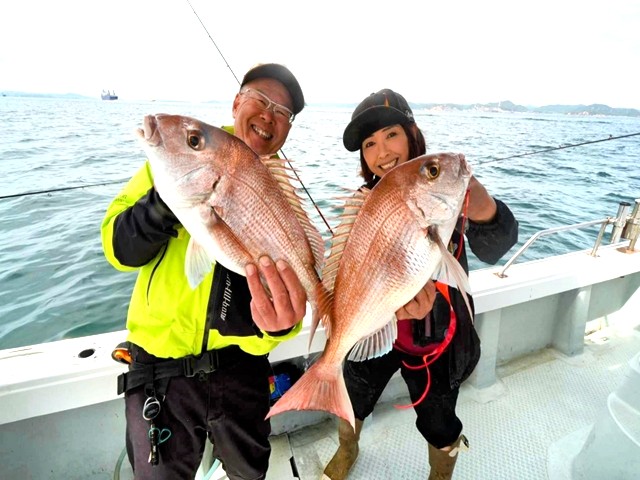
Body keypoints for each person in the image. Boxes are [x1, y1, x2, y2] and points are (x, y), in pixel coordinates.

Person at [101, 63, 307, 480]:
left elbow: (288, 308)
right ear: (237, 102)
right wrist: (163, 204)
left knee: (250, 472)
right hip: (159, 367)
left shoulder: (281, 197)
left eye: (283, 112)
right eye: (260, 100)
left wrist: (281, 327)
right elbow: (117, 249)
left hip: (242, 369)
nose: (269, 116)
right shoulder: (170, 164)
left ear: (287, 128)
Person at [322, 89, 519, 480]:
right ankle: (347, 449)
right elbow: (344, 272)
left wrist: (483, 206)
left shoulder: (442, 194)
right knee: (353, 399)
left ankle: (440, 474)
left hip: (437, 342)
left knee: (439, 421)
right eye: (369, 144)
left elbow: (496, 247)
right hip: (374, 326)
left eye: (391, 135)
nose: (382, 152)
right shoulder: (361, 203)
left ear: (413, 134)